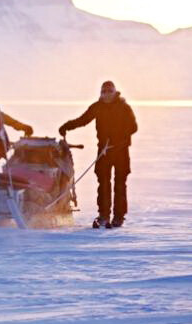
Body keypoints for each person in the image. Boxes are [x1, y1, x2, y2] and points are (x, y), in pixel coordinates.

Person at [59, 81, 137, 229]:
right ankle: (104, 215)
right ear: (101, 93)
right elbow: (83, 120)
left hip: (121, 151)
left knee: (120, 184)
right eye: (104, 91)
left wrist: (118, 139)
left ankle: (118, 217)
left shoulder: (124, 107)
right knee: (103, 184)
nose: (106, 94)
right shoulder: (97, 107)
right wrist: (66, 126)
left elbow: (133, 127)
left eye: (109, 91)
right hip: (104, 151)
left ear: (115, 92)